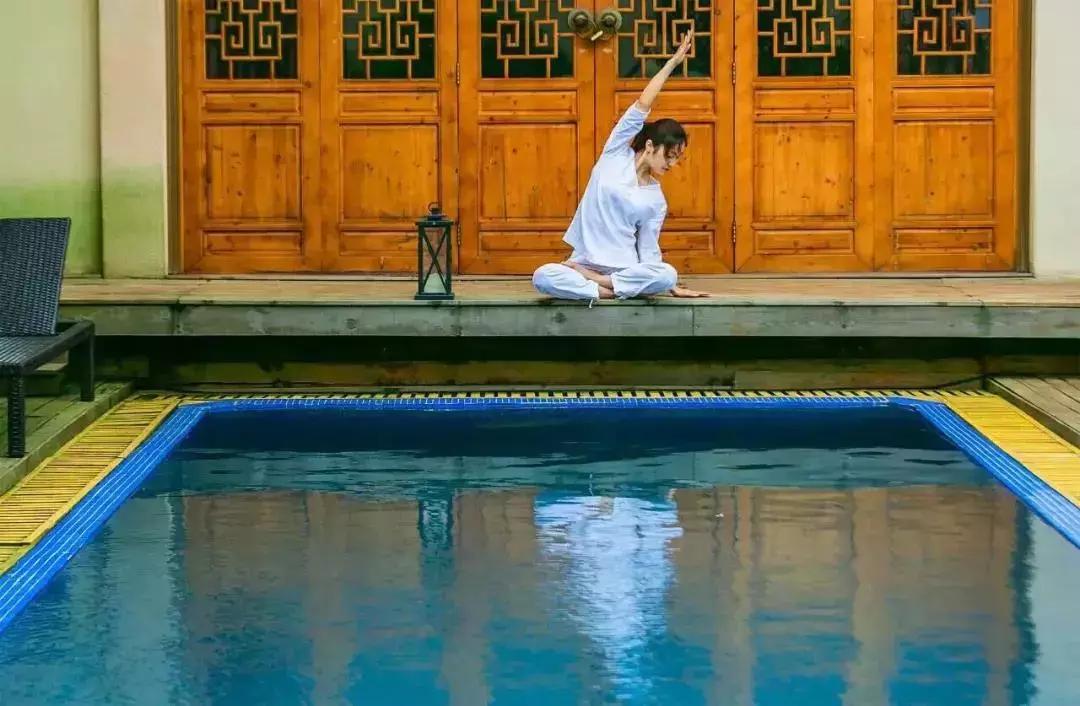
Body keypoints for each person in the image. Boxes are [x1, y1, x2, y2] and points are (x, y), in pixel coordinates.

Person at [532, 28, 710, 303]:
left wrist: (668, 284)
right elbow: (643, 104)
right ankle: (605, 290)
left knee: (667, 274)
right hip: (584, 264)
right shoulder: (615, 153)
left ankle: (604, 286)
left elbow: (649, 249)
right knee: (543, 276)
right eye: (669, 155)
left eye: (677, 158)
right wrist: (672, 64)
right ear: (650, 146)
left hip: (625, 269)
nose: (672, 164)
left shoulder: (656, 198)